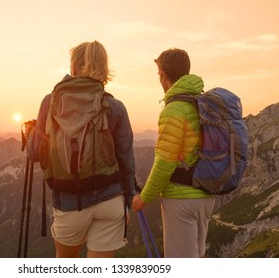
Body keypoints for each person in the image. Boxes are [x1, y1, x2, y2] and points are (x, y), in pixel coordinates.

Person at [25, 40, 135, 258]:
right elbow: (126, 161)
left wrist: (30, 135)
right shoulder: (115, 107)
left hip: (69, 203)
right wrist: (128, 203)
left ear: (74, 67)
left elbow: (34, 153)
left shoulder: (51, 102)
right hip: (111, 202)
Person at [132, 48, 215, 258]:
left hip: (181, 199)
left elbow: (165, 161)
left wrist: (145, 197)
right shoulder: (201, 103)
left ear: (162, 74)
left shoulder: (174, 109)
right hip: (206, 195)